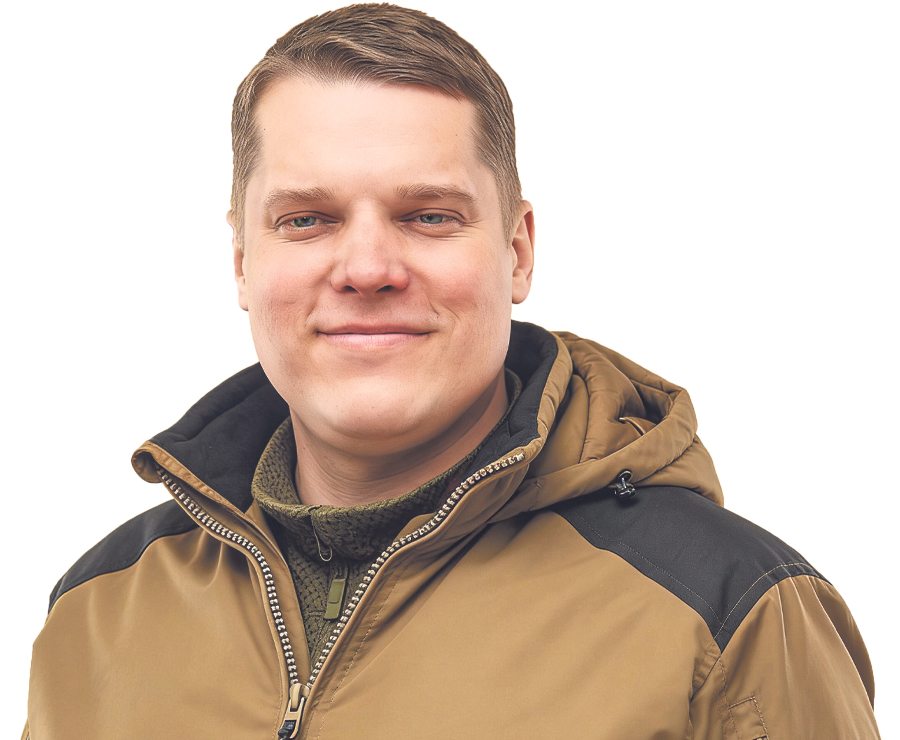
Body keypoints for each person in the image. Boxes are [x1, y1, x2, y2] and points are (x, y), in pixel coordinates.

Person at [25, 5, 881, 739]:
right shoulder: (96, 614)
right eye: (307, 220)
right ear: (243, 263)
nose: (368, 268)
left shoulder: (726, 611)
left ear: (517, 251)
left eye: (428, 216)